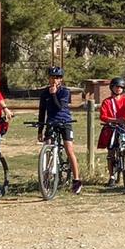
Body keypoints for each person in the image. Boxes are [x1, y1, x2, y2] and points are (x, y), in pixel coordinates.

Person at [36, 66, 83, 194]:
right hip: (51, 122)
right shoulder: (44, 93)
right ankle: (45, 177)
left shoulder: (65, 92)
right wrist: (40, 129)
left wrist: (54, 94)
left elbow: (59, 107)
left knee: (69, 149)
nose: (54, 80)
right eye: (52, 77)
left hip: (65, 122)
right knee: (47, 146)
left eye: (57, 78)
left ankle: (77, 180)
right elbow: (42, 111)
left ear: (61, 79)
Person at [98, 77, 125, 187]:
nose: (119, 89)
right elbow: (103, 116)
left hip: (123, 127)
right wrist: (114, 120)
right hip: (111, 128)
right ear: (112, 88)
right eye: (117, 87)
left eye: (121, 87)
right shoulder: (107, 102)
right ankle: (111, 177)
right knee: (111, 152)